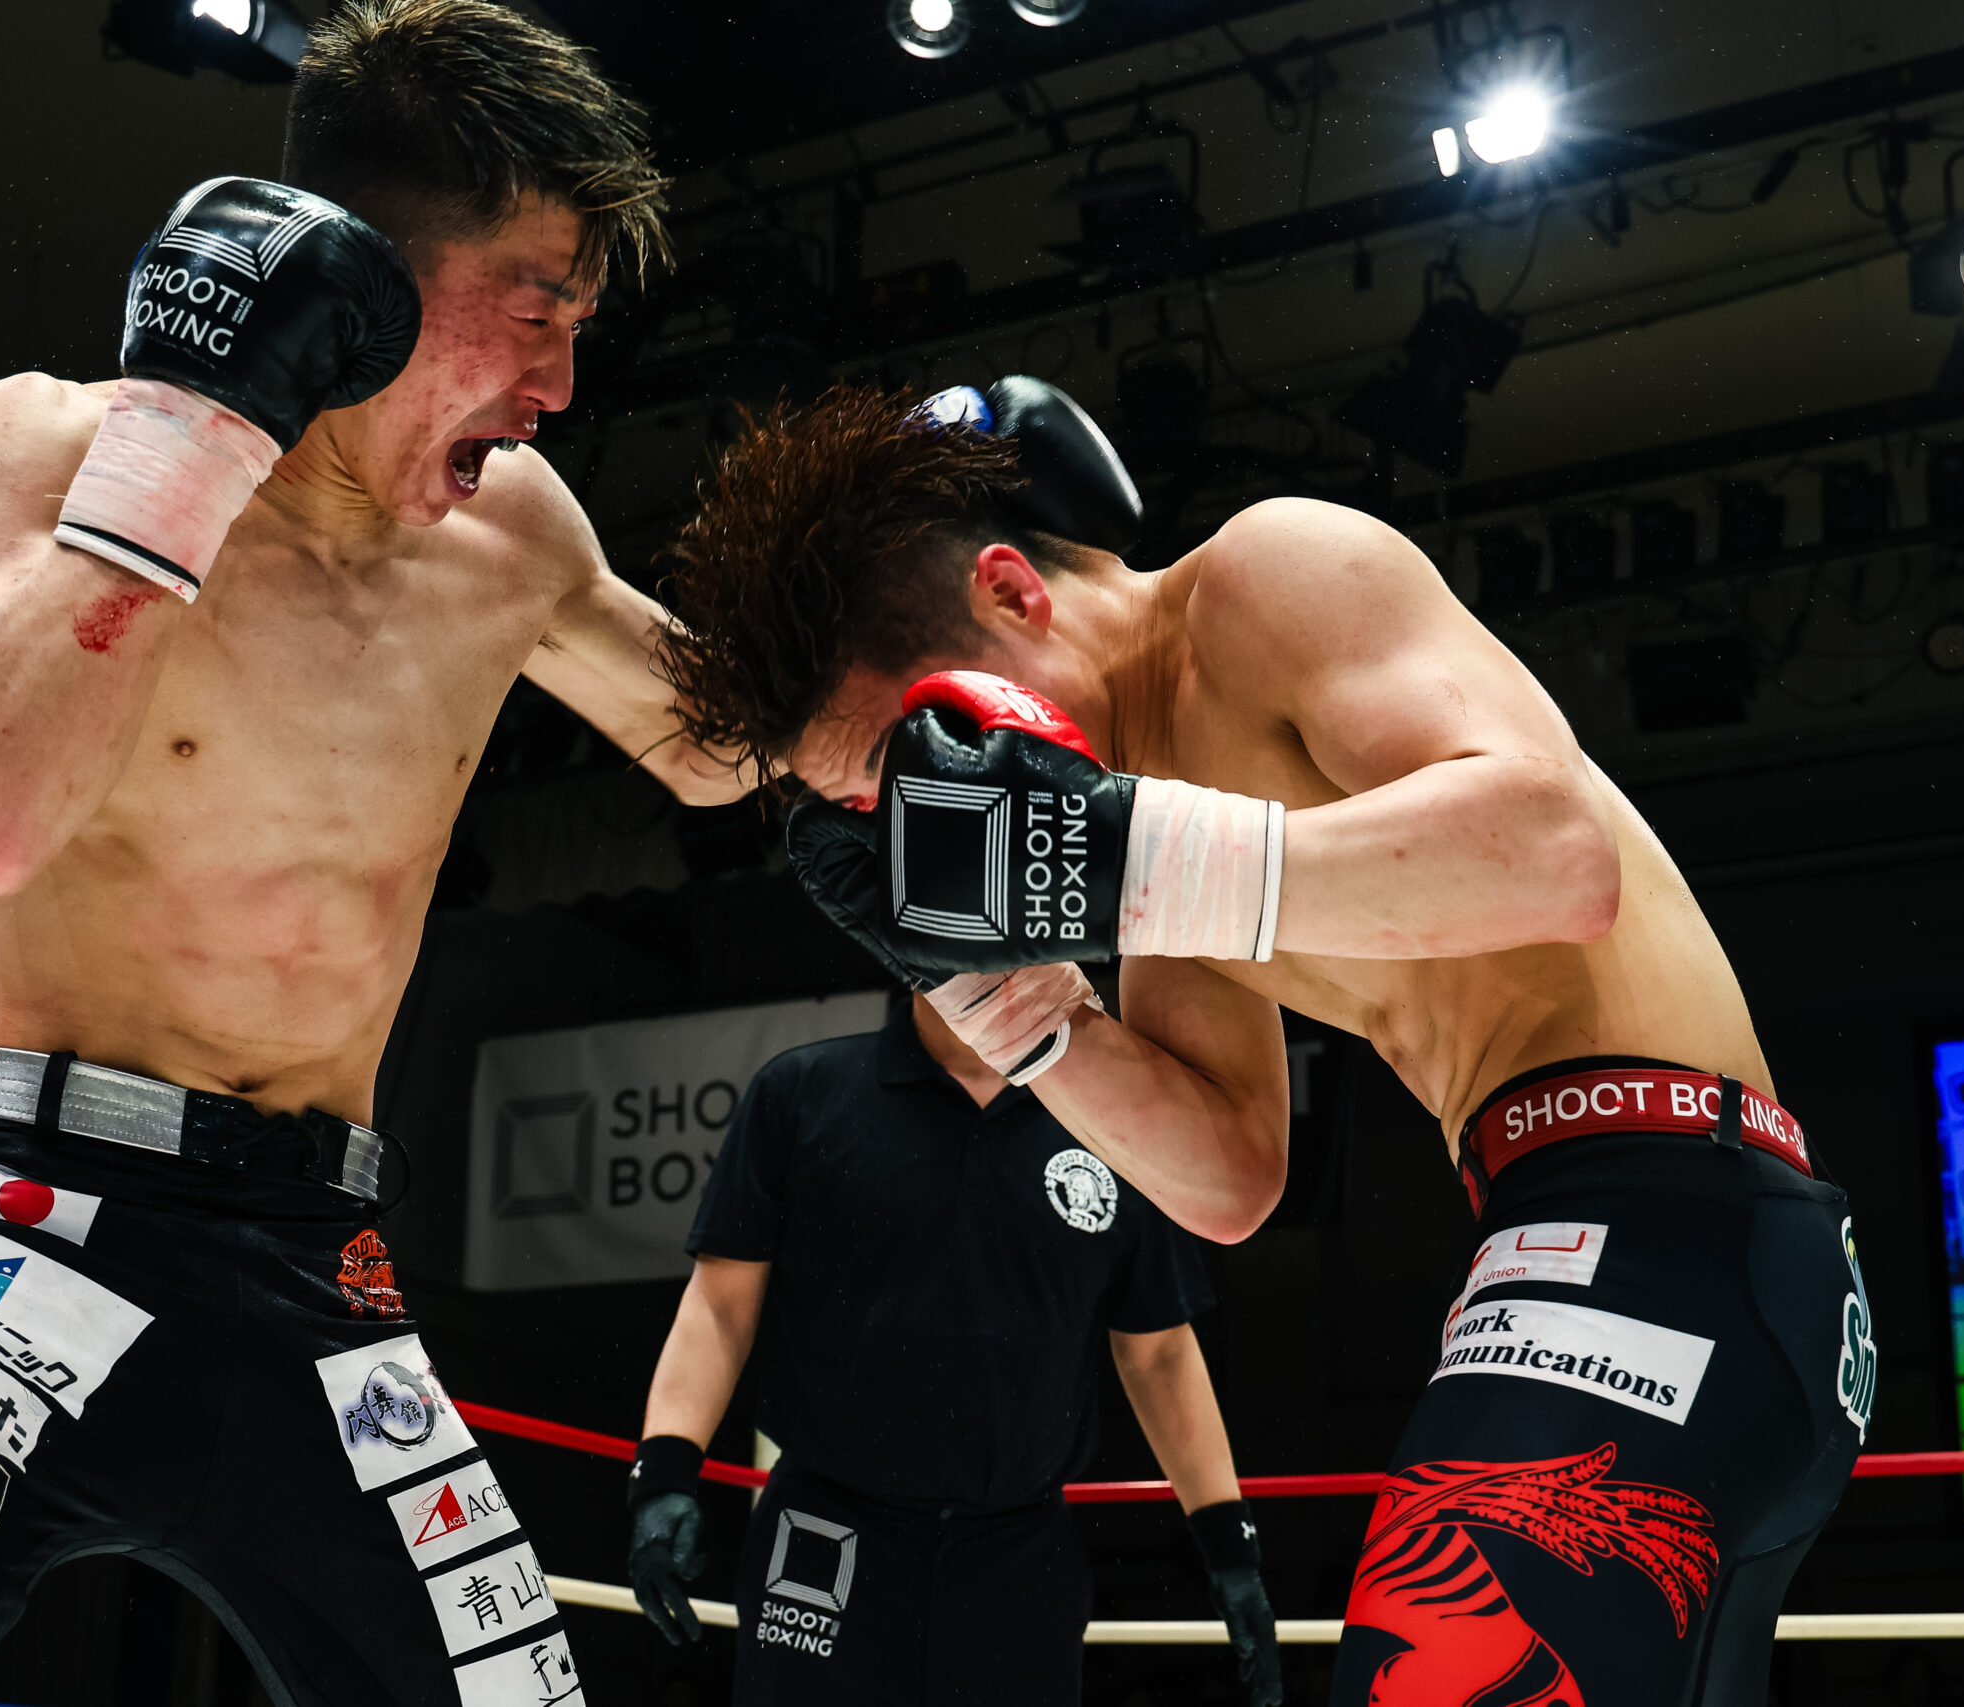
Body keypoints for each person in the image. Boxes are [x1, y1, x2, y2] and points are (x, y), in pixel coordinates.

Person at [0, 5, 747, 1704]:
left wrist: (907, 663)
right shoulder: (53, 444)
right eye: (539, 313)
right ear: (373, 277)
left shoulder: (516, 534)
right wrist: (194, 436)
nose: (559, 387)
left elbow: (718, 746)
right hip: (25, 1220)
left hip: (322, 1261)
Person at [649, 380, 1875, 1706]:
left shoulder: (1272, 574)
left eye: (930, 754)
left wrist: (1127, 861)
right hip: (1615, 1248)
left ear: (1011, 590)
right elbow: (1228, 1176)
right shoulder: (1149, 837)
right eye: (897, 811)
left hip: (1679, 1229)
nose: (954, 820)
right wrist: (997, 994)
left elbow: (1556, 853)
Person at [624, 986, 1282, 1706]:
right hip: (824, 1528)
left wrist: (1229, 1542)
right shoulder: (802, 1092)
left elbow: (1158, 1353)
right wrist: (664, 1472)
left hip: (1019, 1561)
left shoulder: (1116, 1123)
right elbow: (721, 1306)